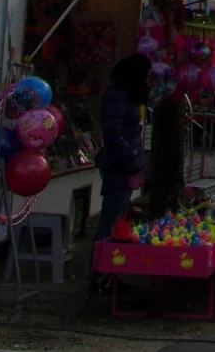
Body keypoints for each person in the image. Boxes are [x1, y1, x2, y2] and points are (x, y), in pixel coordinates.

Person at [90, 53, 151, 290]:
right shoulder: (118, 97)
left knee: (116, 220)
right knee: (109, 221)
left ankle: (108, 274)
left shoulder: (126, 95)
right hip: (119, 165)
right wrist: (129, 156)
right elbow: (112, 132)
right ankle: (99, 274)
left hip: (127, 163)